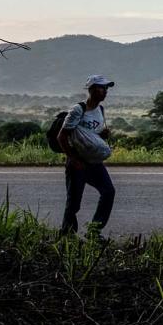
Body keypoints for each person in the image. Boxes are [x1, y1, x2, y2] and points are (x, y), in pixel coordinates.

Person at [58, 75, 117, 238]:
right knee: (74, 203)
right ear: (91, 90)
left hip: (94, 162)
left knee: (108, 192)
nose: (105, 91)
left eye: (106, 88)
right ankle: (66, 235)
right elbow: (62, 137)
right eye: (101, 88)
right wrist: (74, 159)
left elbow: (92, 137)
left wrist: (102, 136)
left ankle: (94, 231)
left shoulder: (101, 110)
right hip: (77, 162)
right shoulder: (78, 110)